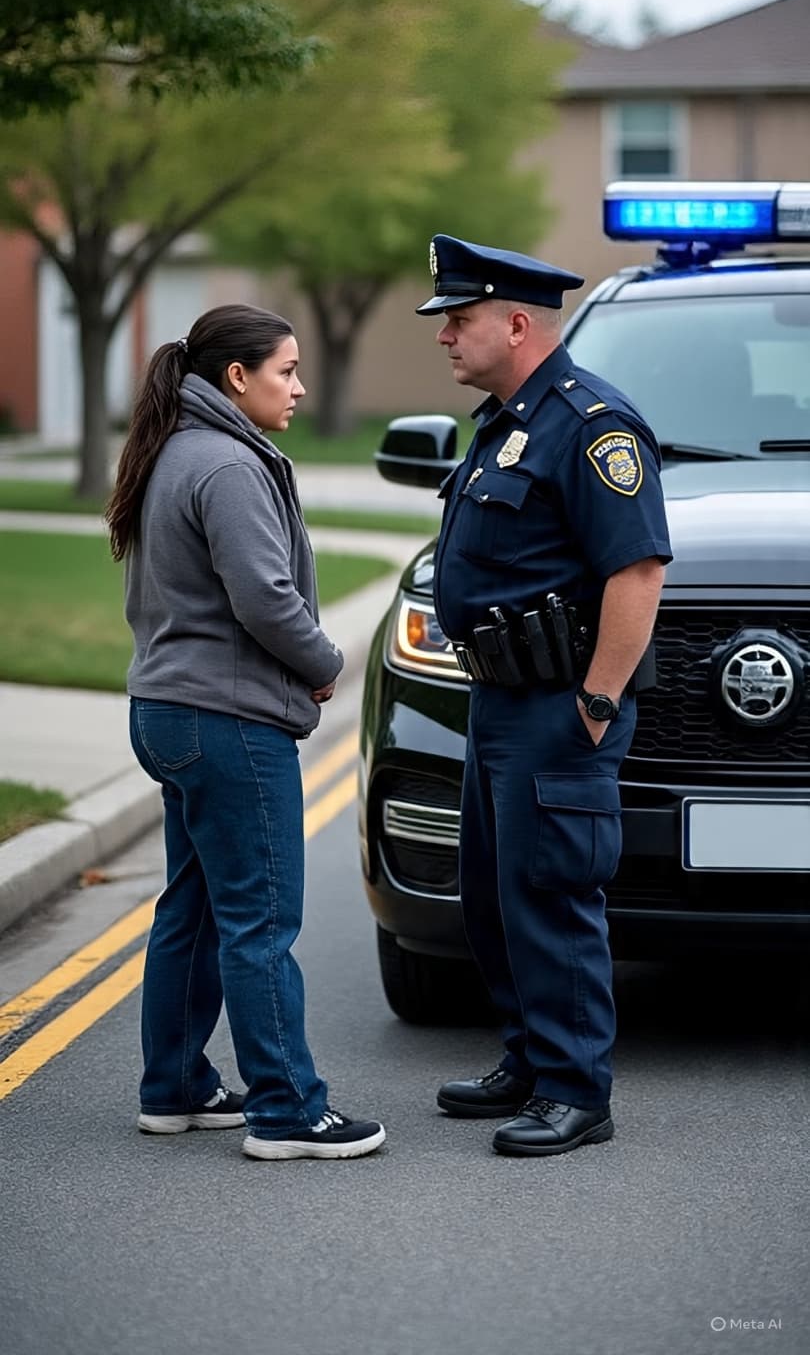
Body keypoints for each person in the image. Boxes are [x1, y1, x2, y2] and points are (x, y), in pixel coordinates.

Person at [106, 304, 385, 1162]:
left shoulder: (176, 451)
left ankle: (177, 1088)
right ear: (238, 377)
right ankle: (287, 1109)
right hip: (227, 722)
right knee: (261, 918)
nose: (299, 386)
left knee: (192, 907)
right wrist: (323, 659)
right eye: (286, 370)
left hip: (169, 713)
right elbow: (264, 595)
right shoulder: (226, 463)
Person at [415, 236, 672, 1156]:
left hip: (558, 704)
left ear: (516, 323)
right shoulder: (504, 420)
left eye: (460, 318)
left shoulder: (591, 424)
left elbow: (637, 573)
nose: (445, 335)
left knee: (552, 894)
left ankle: (575, 1092)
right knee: (492, 895)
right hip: (498, 701)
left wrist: (595, 705)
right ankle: (529, 1060)